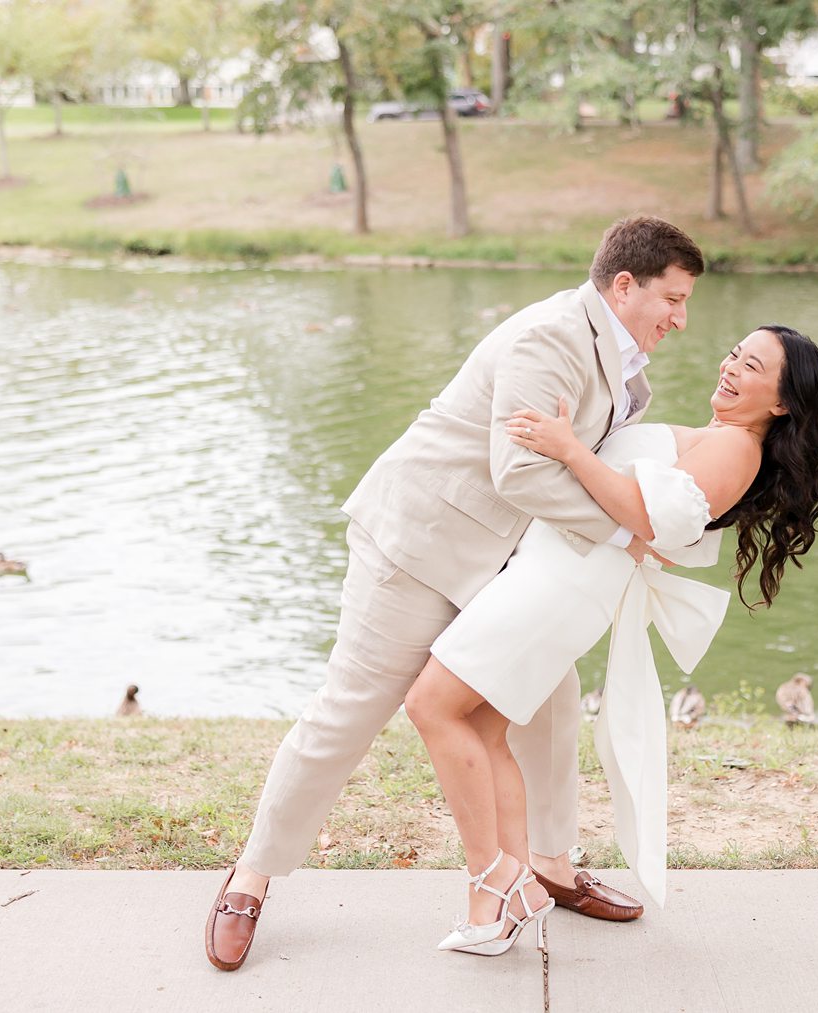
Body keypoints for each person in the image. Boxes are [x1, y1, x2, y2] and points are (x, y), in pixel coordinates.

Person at [205, 216, 706, 971]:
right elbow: (521, 472)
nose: (680, 316)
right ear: (624, 285)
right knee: (349, 713)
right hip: (418, 546)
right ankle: (250, 876)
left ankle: (551, 866)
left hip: (501, 564)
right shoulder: (552, 339)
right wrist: (624, 535)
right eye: (672, 297)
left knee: (552, 703)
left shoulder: (624, 358)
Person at [406, 324, 818, 956]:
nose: (732, 366)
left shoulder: (738, 450)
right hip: (555, 574)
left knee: (431, 707)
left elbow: (648, 516)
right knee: (488, 733)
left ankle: (495, 882)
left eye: (753, 365)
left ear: (782, 402)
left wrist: (569, 449)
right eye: (734, 352)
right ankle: (502, 905)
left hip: (560, 586)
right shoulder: (720, 438)